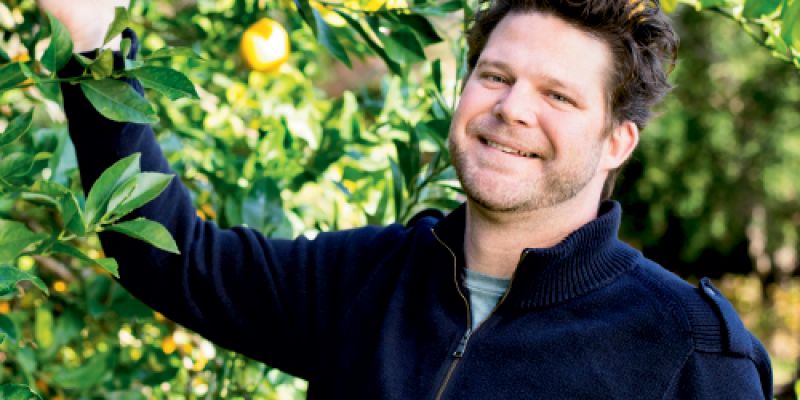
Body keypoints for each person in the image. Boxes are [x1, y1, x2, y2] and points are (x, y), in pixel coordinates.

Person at [42, 0, 773, 398]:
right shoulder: (364, 280)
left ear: (617, 142)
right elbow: (171, 259)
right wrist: (92, 48)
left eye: (558, 96)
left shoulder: (689, 351)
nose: (512, 109)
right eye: (495, 76)